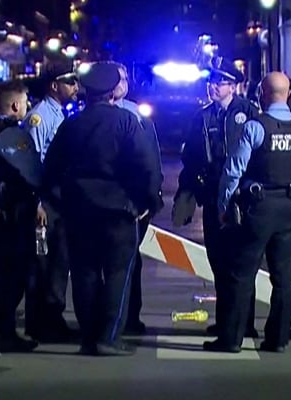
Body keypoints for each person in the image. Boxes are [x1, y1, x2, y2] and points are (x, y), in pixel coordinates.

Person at [42, 61, 163, 356]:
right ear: (112, 92)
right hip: (119, 211)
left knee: (84, 274)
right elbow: (147, 167)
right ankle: (109, 336)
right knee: (118, 274)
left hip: (79, 211)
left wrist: (61, 201)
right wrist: (146, 203)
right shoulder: (126, 122)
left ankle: (88, 336)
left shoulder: (71, 124)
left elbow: (51, 170)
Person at [209, 72, 291, 353]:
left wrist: (224, 206)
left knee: (241, 273)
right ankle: (278, 339)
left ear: (262, 94)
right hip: (290, 207)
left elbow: (233, 170)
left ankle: (231, 339)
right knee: (282, 277)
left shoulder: (255, 128)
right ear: (288, 94)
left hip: (258, 208)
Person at [173, 58, 259, 338]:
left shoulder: (248, 112)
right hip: (212, 197)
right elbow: (192, 158)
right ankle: (226, 321)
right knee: (218, 261)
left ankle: (243, 323)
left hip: (241, 199)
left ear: (233, 87)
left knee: (241, 264)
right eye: (210, 82)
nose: (212, 87)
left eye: (219, 83)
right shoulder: (203, 116)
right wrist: (185, 196)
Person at [0, 80, 39, 352]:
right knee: (13, 275)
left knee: (4, 273)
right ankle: (4, 333)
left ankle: (3, 331)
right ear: (15, 105)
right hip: (10, 214)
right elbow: (30, 173)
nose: (27, 106)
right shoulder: (13, 134)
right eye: (24, 102)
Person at [24, 62, 79, 342]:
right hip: (47, 201)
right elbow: (31, 164)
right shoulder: (40, 117)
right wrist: (37, 203)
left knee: (58, 262)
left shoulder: (60, 114)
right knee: (46, 263)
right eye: (70, 82)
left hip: (59, 199)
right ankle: (42, 322)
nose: (75, 88)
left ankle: (50, 318)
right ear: (54, 85)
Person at [113, 61, 164, 334]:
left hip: (133, 202)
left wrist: (150, 197)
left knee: (132, 261)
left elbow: (151, 158)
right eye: (116, 79)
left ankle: (131, 316)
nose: (121, 84)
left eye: (124, 79)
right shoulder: (96, 114)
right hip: (109, 200)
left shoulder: (137, 114)